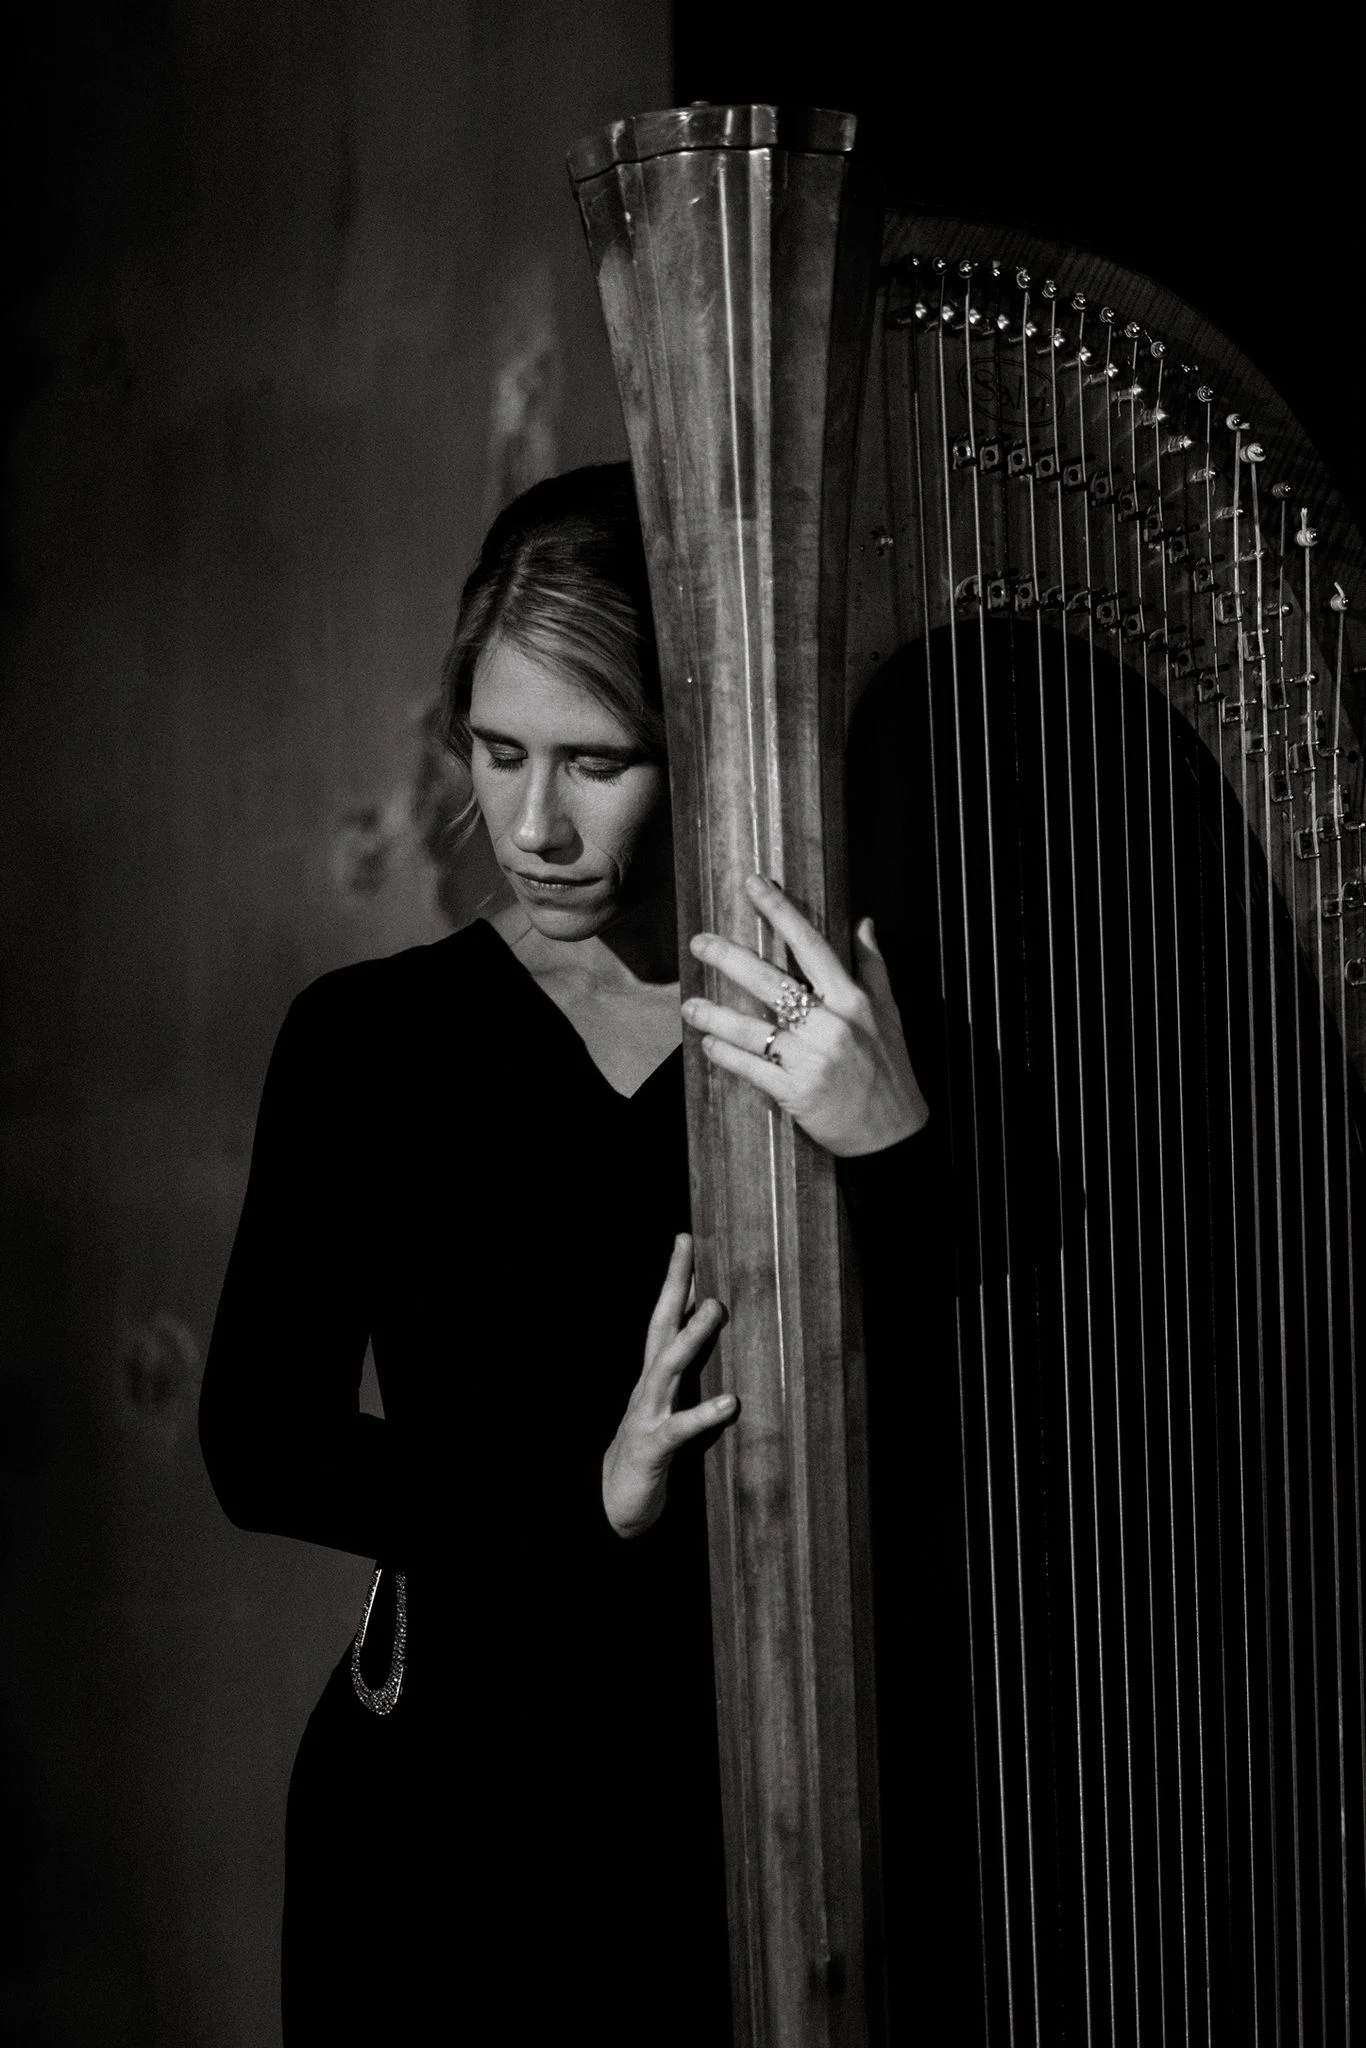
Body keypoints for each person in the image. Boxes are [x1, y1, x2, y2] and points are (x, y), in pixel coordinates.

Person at [198, 463, 931, 2044]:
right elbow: (258, 1446)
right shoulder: (368, 1042)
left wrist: (888, 1141)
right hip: (450, 1827)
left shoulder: (843, 1035)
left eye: (598, 762)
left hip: (771, 1817)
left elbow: (995, 1409)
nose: (532, 825)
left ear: (705, 744)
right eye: (497, 750)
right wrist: (577, 1495)